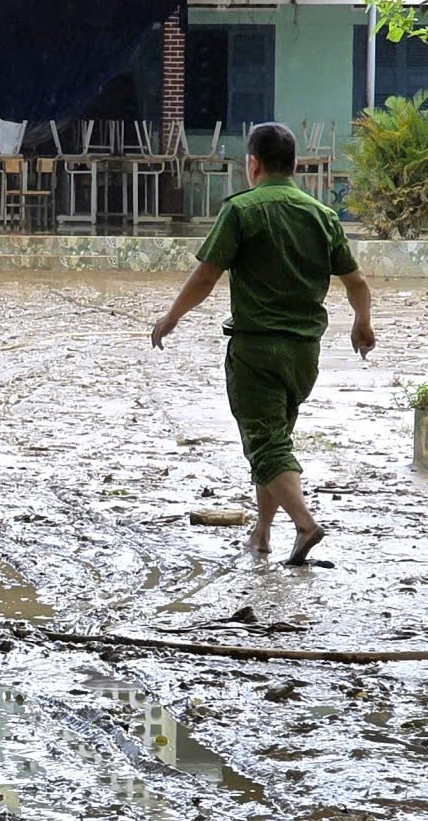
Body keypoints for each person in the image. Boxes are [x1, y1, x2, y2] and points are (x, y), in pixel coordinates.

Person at [150, 122, 375, 563]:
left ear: (252, 164)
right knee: (272, 439)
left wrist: (171, 317)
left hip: (256, 351)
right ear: (294, 165)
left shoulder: (242, 210)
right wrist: (362, 324)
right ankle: (263, 531)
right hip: (304, 355)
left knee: (266, 444)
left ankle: (306, 525)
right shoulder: (321, 215)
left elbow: (206, 276)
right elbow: (357, 281)